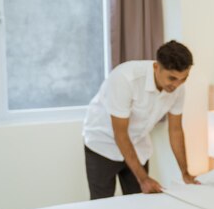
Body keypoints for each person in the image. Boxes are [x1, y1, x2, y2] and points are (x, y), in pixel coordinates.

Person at [83, 40, 198, 200]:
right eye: (172, 78)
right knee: (102, 204)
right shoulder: (125, 78)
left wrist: (185, 173)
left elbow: (175, 130)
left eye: (183, 79)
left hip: (137, 145)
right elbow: (120, 133)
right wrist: (143, 179)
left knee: (140, 203)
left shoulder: (177, 88)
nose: (177, 85)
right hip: (103, 144)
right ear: (157, 67)